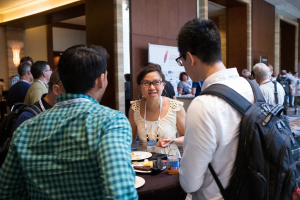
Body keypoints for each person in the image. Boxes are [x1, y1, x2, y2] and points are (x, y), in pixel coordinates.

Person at [0, 45, 138, 199]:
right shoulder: (111, 122)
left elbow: (7, 191)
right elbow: (120, 193)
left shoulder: (25, 128)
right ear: (101, 79)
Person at [177, 19, 254, 199]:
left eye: (182, 61)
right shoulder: (252, 88)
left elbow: (190, 182)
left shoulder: (203, 104)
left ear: (190, 57)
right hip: (255, 189)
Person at [129, 62, 186, 156]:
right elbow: (131, 138)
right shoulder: (135, 107)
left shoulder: (175, 107)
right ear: (140, 86)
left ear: (163, 85)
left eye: (156, 82)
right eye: (146, 83)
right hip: (143, 163)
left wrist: (172, 140)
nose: (151, 87)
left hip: (170, 162)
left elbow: (187, 138)